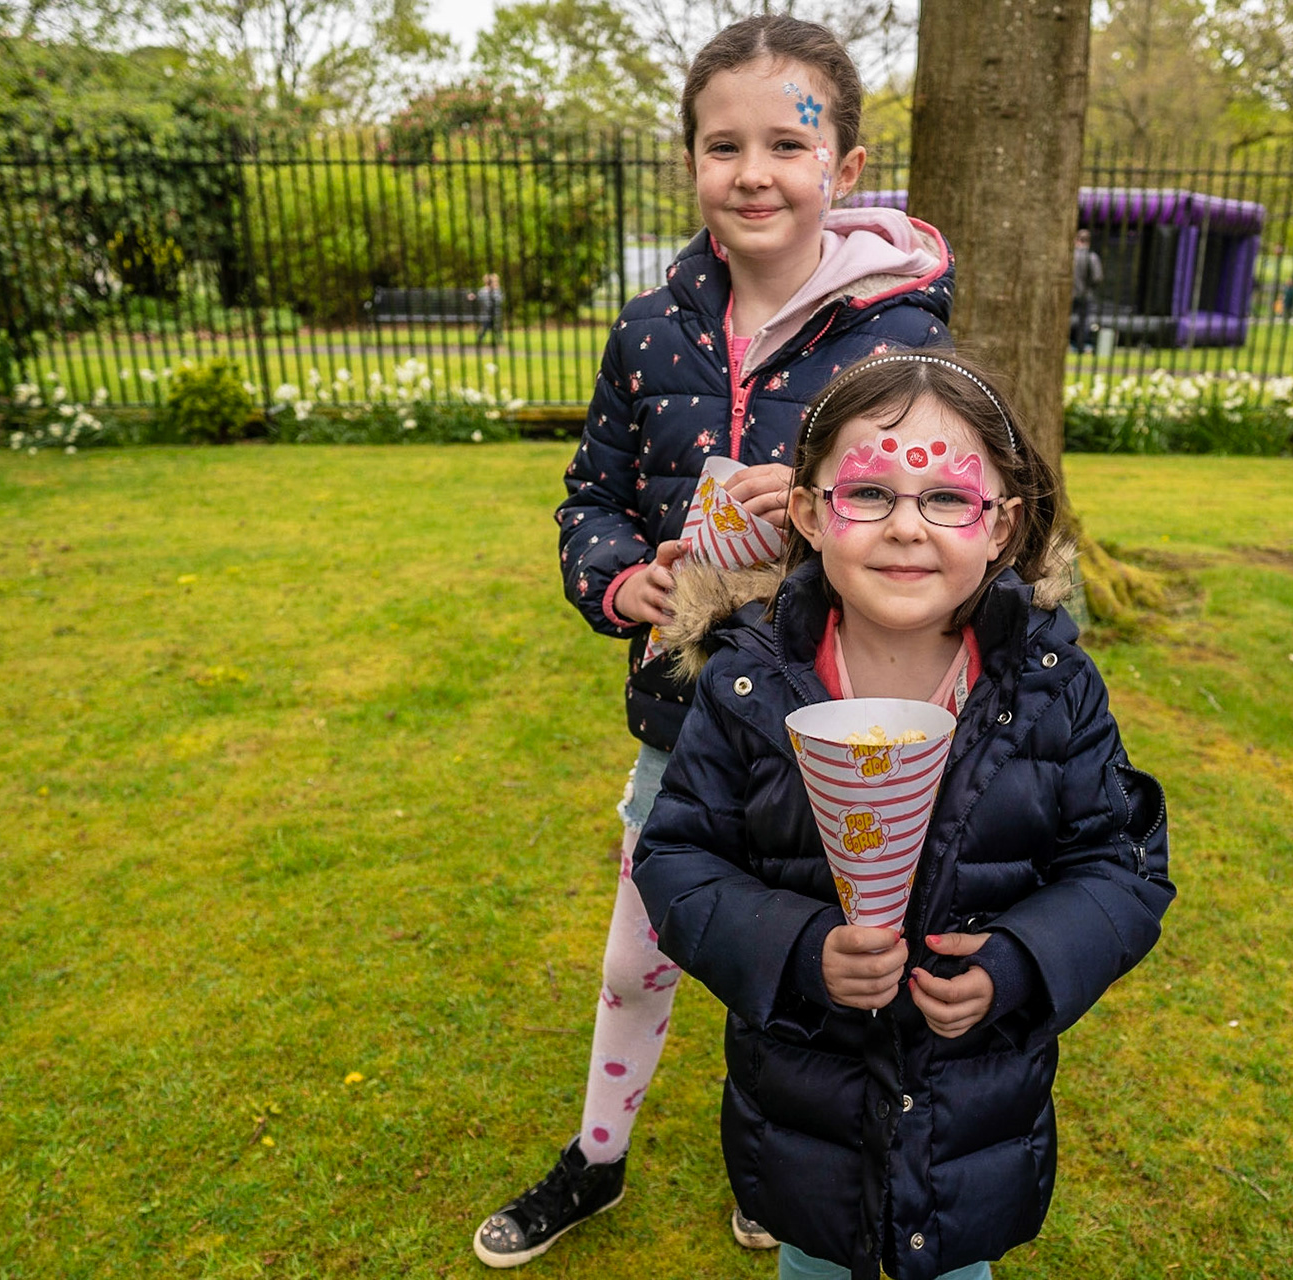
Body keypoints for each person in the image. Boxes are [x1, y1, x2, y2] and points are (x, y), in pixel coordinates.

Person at [472, 15, 955, 1269]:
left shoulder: (900, 340)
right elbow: (590, 491)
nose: (754, 172)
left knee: (788, 977)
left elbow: (931, 524)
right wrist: (623, 580)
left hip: (825, 725)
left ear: (844, 168)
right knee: (643, 956)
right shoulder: (649, 330)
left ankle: (768, 1174)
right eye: (721, 144)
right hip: (682, 719)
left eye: (788, 143)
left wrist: (804, 518)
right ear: (692, 160)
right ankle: (595, 1158)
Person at [633, 350, 1176, 1280]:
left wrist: (1019, 966)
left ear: (1000, 527)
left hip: (971, 1110)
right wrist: (800, 950)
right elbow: (680, 858)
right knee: (814, 1262)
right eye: (868, 494)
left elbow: (1119, 868)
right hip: (807, 1098)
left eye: (948, 500)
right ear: (808, 512)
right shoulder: (747, 682)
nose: (906, 530)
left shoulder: (1051, 687)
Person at [1069, 228, 1103, 352]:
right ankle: (1080, 346)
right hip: (1085, 294)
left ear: (1076, 240)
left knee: (1066, 319)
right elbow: (1097, 277)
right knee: (1083, 321)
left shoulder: (1070, 257)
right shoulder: (1092, 257)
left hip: (1069, 294)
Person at [475, 272, 503, 346]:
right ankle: (499, 338)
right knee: (492, 323)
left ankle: (480, 337)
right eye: (495, 281)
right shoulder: (495, 291)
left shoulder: (482, 291)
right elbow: (499, 300)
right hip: (489, 314)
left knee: (488, 324)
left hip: (488, 314)